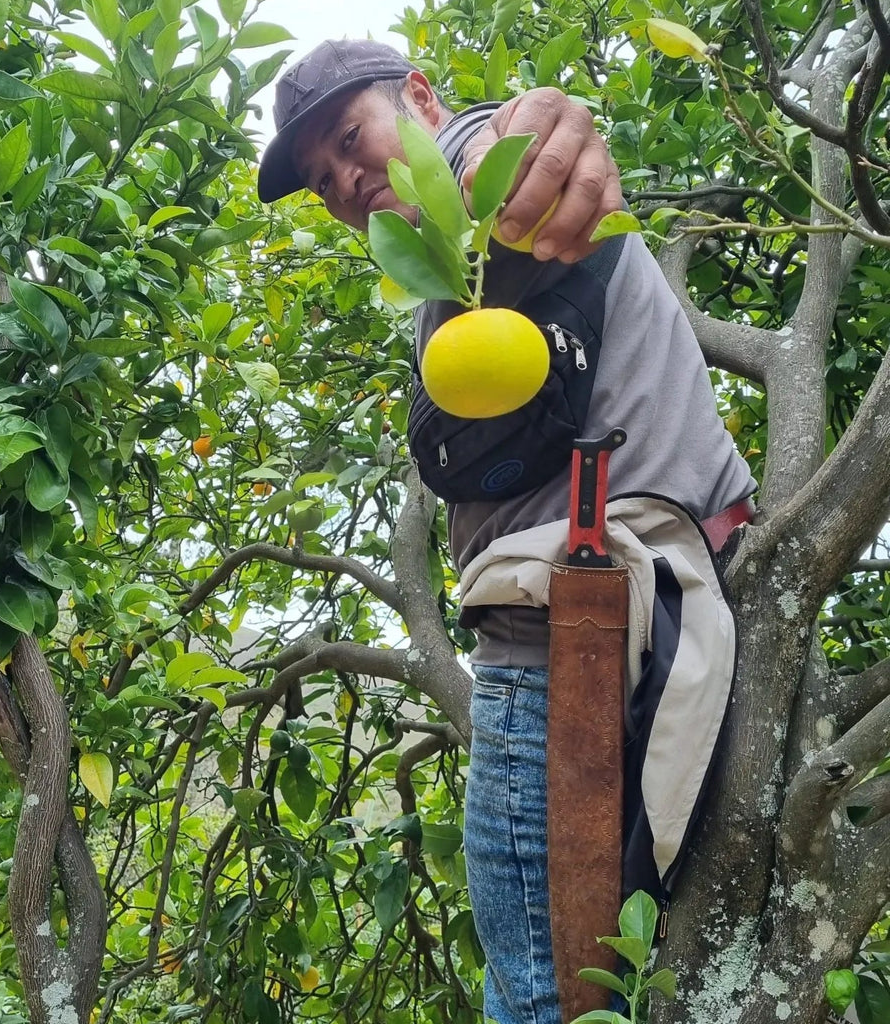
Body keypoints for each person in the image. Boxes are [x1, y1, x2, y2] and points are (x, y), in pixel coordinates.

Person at [257, 39, 756, 1024]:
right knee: (603, 971)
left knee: (532, 991)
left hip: (563, 643)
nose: (347, 180)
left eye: (351, 140)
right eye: (322, 180)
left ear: (422, 96)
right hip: (619, 619)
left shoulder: (489, 193)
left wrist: (541, 118)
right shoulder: (450, 262)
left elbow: (527, 144)